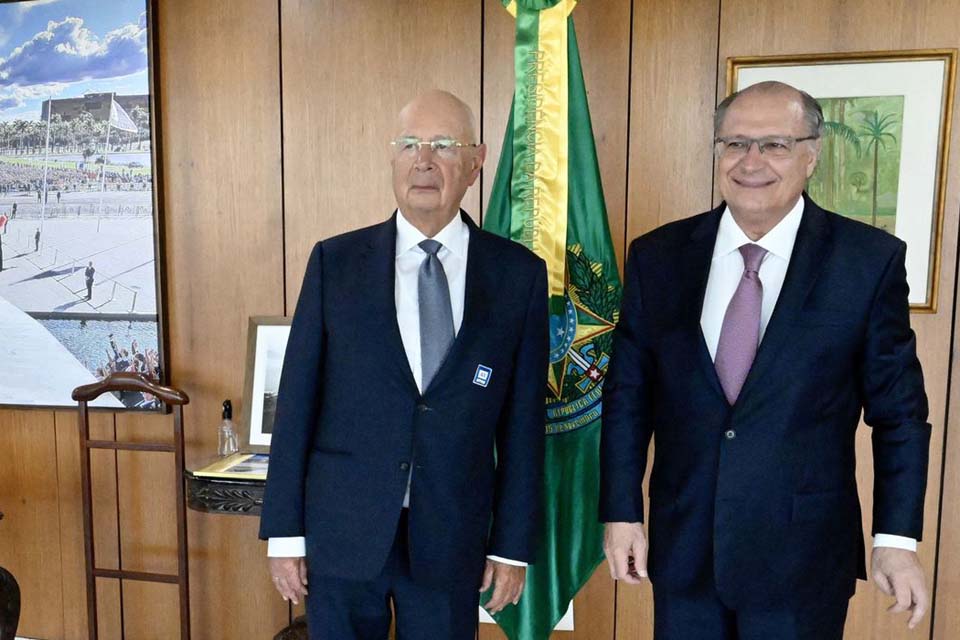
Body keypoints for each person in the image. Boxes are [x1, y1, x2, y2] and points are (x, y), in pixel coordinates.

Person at [600, 81, 931, 640]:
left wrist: (896, 542)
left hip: (802, 560)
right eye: (734, 144)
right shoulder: (658, 256)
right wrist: (621, 512)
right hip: (686, 551)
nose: (750, 162)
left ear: (811, 154)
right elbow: (628, 397)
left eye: (774, 144)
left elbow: (899, 414)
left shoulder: (867, 262)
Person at [258, 89, 548, 639]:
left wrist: (512, 545)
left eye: (443, 145)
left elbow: (523, 427)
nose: (424, 161)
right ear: (392, 159)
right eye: (410, 144)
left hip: (452, 538)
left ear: (475, 161)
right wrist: (285, 534)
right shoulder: (335, 263)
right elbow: (296, 403)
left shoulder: (517, 277)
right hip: (343, 533)